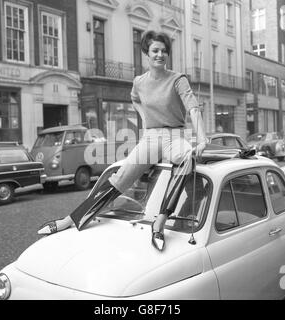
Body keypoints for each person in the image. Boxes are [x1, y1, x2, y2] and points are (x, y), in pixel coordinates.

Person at [38, 30, 207, 251]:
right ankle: (70, 220)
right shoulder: (139, 82)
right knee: (121, 176)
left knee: (187, 157)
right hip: (151, 137)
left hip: (175, 136)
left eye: (164, 51)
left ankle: (160, 221)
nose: (160, 55)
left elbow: (193, 108)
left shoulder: (178, 79)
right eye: (155, 50)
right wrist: (145, 119)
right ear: (146, 53)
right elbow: (134, 99)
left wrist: (202, 138)